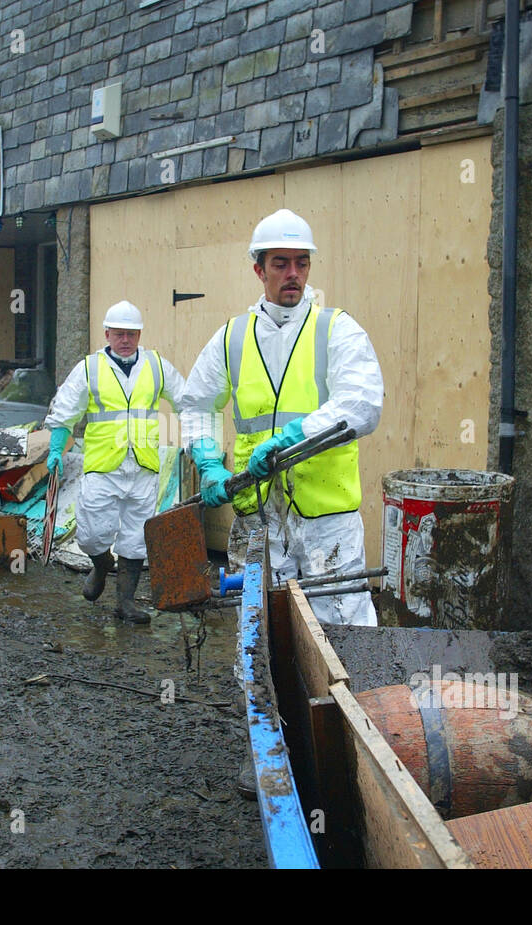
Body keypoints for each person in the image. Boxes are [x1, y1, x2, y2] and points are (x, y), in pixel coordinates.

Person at [180, 209, 384, 627]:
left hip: (325, 517)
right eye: (281, 263)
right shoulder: (232, 337)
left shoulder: (336, 330)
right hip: (258, 516)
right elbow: (197, 403)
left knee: (341, 622)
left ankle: (344, 695)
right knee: (259, 627)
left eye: (302, 263)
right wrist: (208, 462)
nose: (293, 273)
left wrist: (291, 437)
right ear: (259, 269)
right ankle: (270, 695)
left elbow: (363, 404)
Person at [44, 301, 186, 624]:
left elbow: (187, 400)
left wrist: (200, 441)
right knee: (91, 534)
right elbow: (65, 410)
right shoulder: (89, 369)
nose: (125, 339)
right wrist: (56, 449)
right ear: (107, 333)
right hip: (103, 466)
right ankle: (101, 565)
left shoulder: (156, 366)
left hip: (142, 466)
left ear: (139, 335)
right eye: (119, 333)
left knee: (137, 538)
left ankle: (126, 602)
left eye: (131, 334)